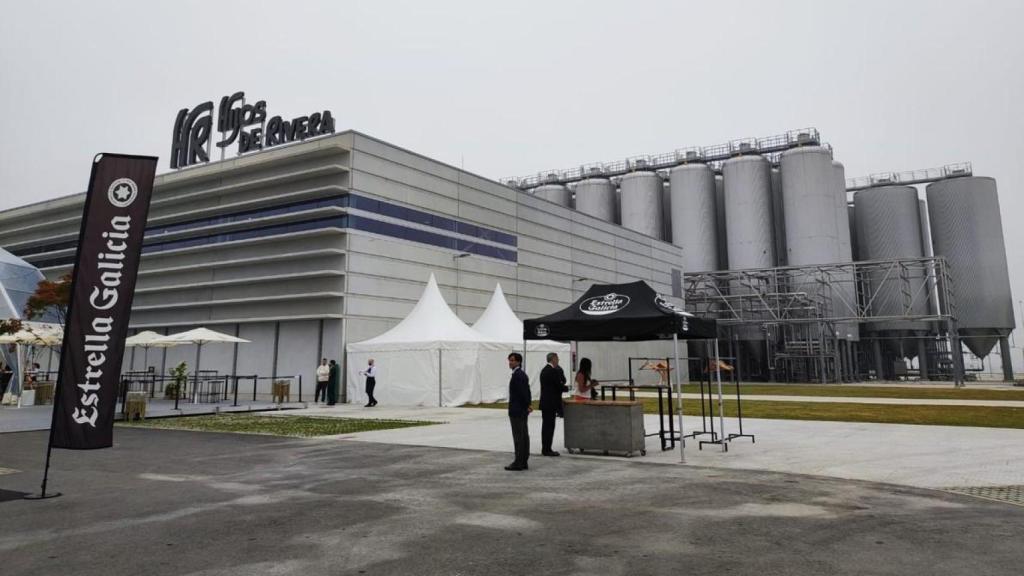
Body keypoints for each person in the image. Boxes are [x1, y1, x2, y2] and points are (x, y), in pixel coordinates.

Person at [505, 352, 531, 471]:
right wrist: (528, 405)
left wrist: (527, 405)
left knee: (519, 437)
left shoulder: (518, 375)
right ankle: (523, 460)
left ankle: (519, 462)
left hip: (517, 411)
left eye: (512, 360)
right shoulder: (520, 374)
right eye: (509, 360)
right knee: (523, 436)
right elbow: (527, 392)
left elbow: (522, 393)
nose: (510, 362)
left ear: (518, 362)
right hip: (521, 410)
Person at [539, 352, 568, 456]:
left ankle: (545, 448)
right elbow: (558, 386)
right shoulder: (552, 371)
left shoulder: (544, 370)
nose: (558, 360)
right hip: (550, 403)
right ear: (553, 359)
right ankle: (547, 449)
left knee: (546, 426)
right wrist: (568, 388)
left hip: (545, 403)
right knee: (549, 427)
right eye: (557, 358)